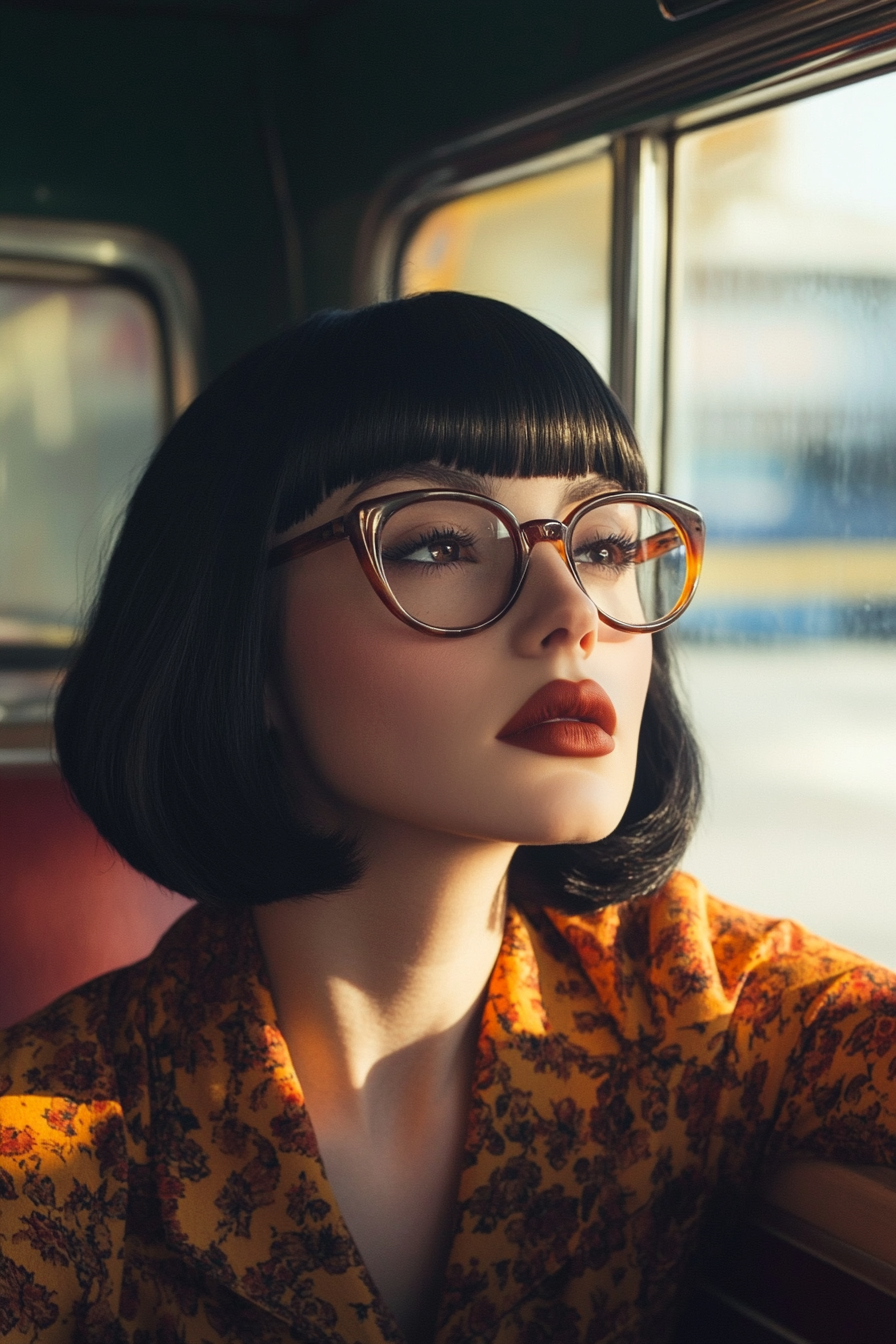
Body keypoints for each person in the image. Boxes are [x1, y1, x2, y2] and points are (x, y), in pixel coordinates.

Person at [1, 292, 894, 1344]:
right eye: (436, 544)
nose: (571, 611)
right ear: (240, 649)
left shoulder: (702, 1002)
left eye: (605, 543)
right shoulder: (62, 1132)